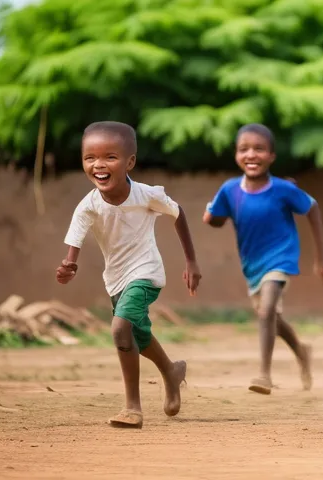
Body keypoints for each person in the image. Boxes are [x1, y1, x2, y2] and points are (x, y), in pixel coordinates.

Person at [56, 121, 201, 429]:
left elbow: (178, 214)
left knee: (121, 329)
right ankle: (171, 371)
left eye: (110, 156)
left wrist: (191, 262)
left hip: (146, 273)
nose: (99, 164)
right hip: (116, 278)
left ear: (129, 162)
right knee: (139, 336)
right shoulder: (88, 207)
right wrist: (69, 264)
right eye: (89, 158)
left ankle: (132, 407)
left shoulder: (146, 195)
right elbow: (75, 242)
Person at [203, 124, 323, 395]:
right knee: (271, 317)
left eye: (259, 149)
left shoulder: (282, 189)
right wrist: (211, 215)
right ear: (236, 155)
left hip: (281, 258)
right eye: (244, 149)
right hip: (252, 265)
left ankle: (264, 374)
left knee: (266, 312)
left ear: (272, 156)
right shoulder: (230, 190)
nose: (251, 154)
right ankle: (301, 350)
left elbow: (311, 208)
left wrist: (321, 258)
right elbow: (214, 221)